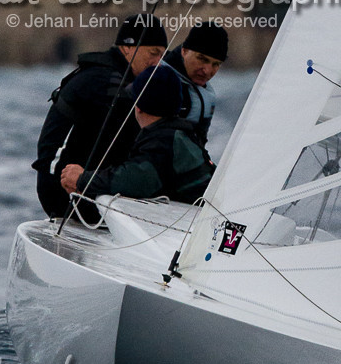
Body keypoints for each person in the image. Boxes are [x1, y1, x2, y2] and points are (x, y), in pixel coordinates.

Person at [32, 15, 168, 217]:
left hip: (72, 185)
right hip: (63, 192)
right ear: (127, 47)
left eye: (162, 56)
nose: (157, 62)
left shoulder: (112, 73)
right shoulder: (108, 81)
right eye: (153, 53)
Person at [59, 66, 213, 206]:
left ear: (138, 107)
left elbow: (136, 180)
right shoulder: (180, 133)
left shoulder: (164, 140)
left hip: (198, 217)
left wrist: (83, 179)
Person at [163, 21, 228, 153]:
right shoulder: (157, 82)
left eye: (216, 64)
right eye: (202, 59)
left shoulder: (206, 93)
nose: (207, 70)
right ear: (184, 51)